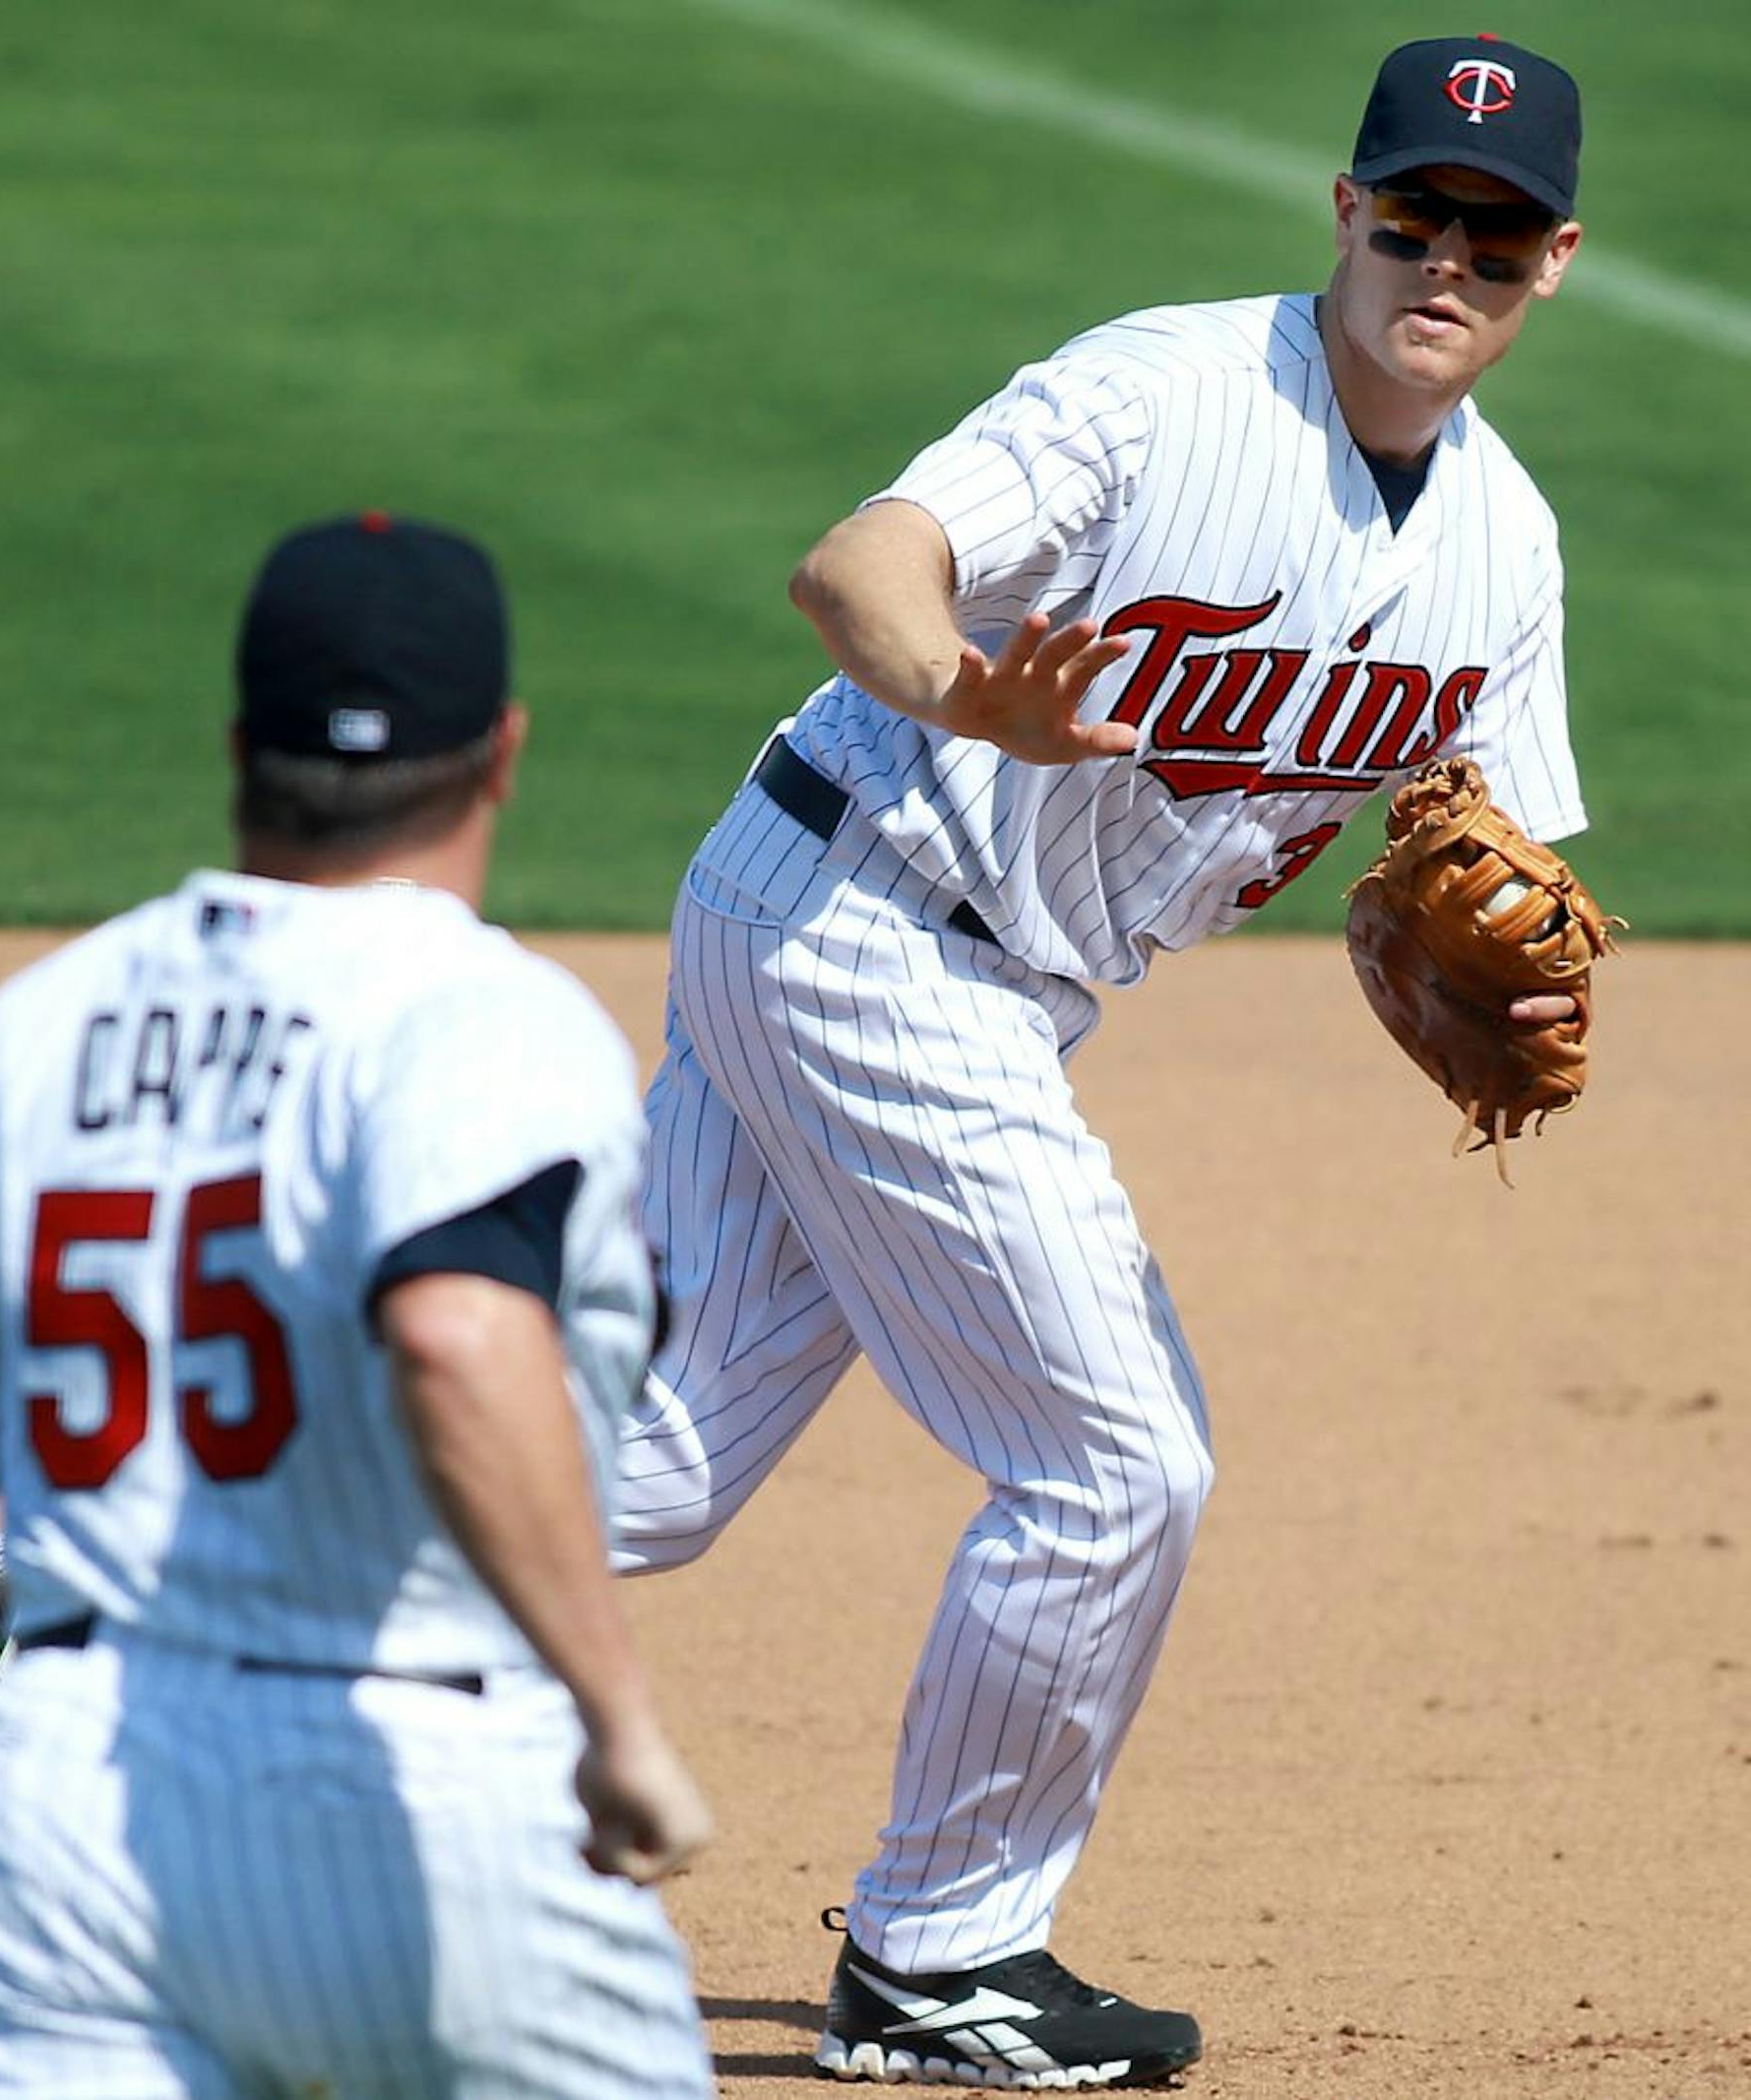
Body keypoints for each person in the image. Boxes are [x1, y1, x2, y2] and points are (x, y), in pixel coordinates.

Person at [607, 32, 1590, 2089]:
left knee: (651, 1462)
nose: (1445, 259)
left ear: (1552, 266)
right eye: (1412, 213)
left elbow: (1473, 859)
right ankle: (940, 1956)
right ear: (1346, 210)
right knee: (1114, 1456)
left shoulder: (1506, 548)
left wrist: (1503, 978)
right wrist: (983, 696)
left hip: (903, 947)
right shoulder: (1161, 393)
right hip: (869, 918)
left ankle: (72, 1620)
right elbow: (856, 569)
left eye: (1491, 240)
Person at [0, 513, 717, 2099]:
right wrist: (619, 1712)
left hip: (63, 1794)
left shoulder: (37, 1022)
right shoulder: (489, 1018)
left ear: (240, 745)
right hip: (419, 1782)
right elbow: (456, 1333)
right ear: (503, 752)